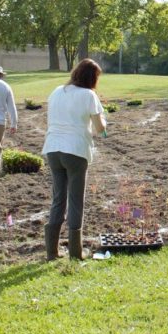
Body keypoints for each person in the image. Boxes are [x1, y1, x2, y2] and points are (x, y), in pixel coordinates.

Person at [42, 58, 107, 261]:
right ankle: (75, 253)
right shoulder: (89, 95)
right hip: (76, 151)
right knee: (76, 201)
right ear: (92, 78)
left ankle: (52, 252)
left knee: (58, 199)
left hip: (53, 149)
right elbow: (99, 129)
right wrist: (104, 120)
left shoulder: (56, 91)